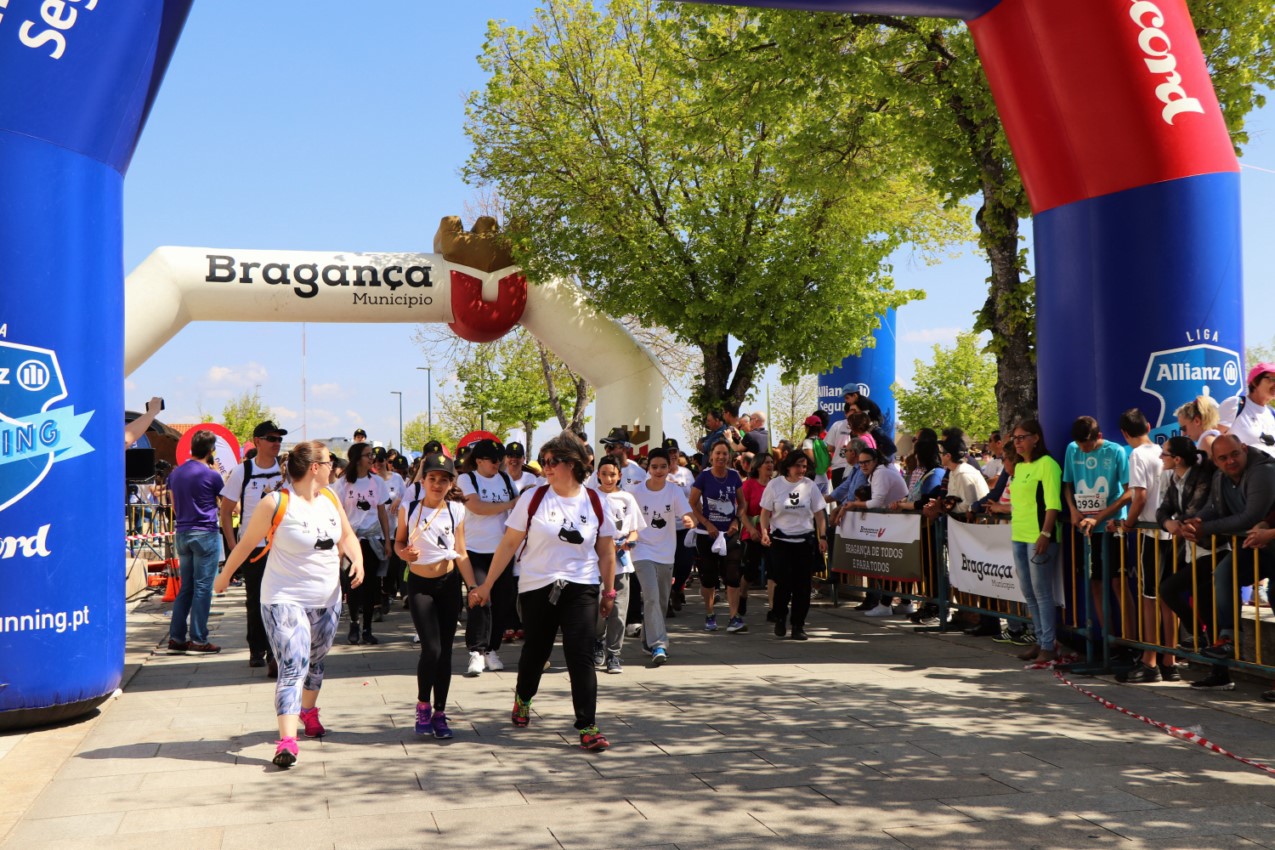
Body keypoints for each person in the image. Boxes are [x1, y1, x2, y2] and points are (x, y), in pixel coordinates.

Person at [213, 441, 363, 768]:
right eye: (329, 462)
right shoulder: (277, 503)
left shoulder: (331, 498)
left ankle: (307, 712)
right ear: (314, 467)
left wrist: (358, 560)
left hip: (327, 598)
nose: (333, 467)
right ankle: (287, 741)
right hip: (284, 597)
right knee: (294, 662)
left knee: (316, 661)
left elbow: (348, 536)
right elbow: (246, 544)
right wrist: (224, 576)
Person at [469, 433, 619, 751]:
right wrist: (487, 584)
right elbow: (509, 543)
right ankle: (523, 698)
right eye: (544, 461)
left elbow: (607, 551)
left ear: (573, 464)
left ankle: (588, 725)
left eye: (553, 461)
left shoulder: (596, 501)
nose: (546, 467)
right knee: (536, 651)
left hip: (582, 586)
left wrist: (609, 592)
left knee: (581, 654)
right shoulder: (533, 498)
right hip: (537, 585)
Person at [394, 453, 478, 739]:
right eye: (432, 479)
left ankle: (440, 712)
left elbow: (462, 552)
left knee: (445, 652)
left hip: (449, 583)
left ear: (450, 482)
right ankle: (422, 704)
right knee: (431, 649)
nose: (437, 484)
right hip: (420, 584)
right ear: (424, 480)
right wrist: (405, 554)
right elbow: (399, 543)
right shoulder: (410, 507)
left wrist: (474, 588)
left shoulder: (456, 510)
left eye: (444, 480)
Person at [1183, 435, 1275, 664]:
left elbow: (1251, 516)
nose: (1230, 461)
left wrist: (1206, 529)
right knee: (1224, 573)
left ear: (1244, 448)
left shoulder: (1263, 470)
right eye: (1223, 458)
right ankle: (1229, 638)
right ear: (1215, 461)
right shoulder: (1220, 477)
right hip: (1256, 546)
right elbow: (1214, 507)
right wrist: (1195, 522)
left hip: (1268, 543)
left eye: (1234, 454)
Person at [220, 420, 288, 674]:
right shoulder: (242, 471)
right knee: (256, 600)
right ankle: (257, 648)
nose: (276, 443)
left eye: (279, 439)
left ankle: (276, 649)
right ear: (257, 441)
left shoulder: (287, 471)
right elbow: (225, 512)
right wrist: (232, 544)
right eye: (271, 438)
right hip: (254, 547)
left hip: (282, 547)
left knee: (281, 600)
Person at [1116, 409, 1174, 683]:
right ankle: (1169, 660)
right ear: (1149, 426)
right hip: (1170, 532)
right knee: (1167, 598)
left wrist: (1128, 523)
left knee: (1149, 598)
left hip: (1151, 533)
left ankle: (1150, 661)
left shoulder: (1137, 455)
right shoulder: (1163, 451)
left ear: (1125, 434)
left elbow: (1139, 496)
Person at [458, 438, 520, 675]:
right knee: (480, 598)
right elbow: (477, 507)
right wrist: (510, 503)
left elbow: (518, 506)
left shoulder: (505, 479)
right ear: (479, 460)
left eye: (500, 460)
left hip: (501, 551)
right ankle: (476, 650)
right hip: (474, 550)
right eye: (494, 460)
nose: (498, 464)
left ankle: (491, 649)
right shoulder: (467, 479)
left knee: (504, 599)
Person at [1062, 415, 1129, 632]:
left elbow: (1129, 492)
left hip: (1111, 527)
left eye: (1086, 444)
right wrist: (1073, 510)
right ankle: (1108, 641)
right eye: (1079, 444)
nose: (1082, 449)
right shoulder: (1072, 449)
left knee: (1118, 583)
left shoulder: (1116, 451)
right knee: (1095, 583)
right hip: (1086, 529)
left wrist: (1098, 518)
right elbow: (1067, 484)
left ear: (1098, 437)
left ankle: (1131, 642)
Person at [1006, 420, 1063, 664]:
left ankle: (1049, 645)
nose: (1017, 442)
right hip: (1019, 534)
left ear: (1036, 438)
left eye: (1022, 437)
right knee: (1028, 591)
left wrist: (1046, 533)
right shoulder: (1018, 467)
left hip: (1039, 536)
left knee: (1041, 592)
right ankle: (1040, 640)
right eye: (1014, 438)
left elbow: (1053, 504)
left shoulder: (1047, 465)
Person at [630, 448, 693, 664]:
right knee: (651, 596)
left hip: (666, 553)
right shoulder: (636, 492)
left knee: (661, 601)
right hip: (642, 550)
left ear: (669, 468)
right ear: (648, 468)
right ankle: (659, 645)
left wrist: (688, 519)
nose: (658, 471)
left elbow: (686, 512)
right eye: (654, 466)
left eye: (663, 466)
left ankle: (648, 640)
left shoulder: (674, 491)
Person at [166, 430, 224, 655]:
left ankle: (176, 637)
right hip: (205, 533)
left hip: (182, 532)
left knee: (186, 587)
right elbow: (227, 503)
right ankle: (199, 639)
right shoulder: (211, 475)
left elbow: (173, 506)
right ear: (211, 451)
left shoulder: (176, 473)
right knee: (202, 588)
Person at [831, 447, 909, 616]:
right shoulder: (876, 472)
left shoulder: (880, 472)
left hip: (898, 521)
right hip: (894, 521)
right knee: (896, 565)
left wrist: (852, 505)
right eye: (860, 463)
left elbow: (875, 502)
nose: (863, 466)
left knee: (892, 564)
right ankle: (904, 602)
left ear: (875, 461)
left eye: (867, 462)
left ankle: (887, 604)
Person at [759, 451, 827, 640]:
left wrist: (822, 537)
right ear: (788, 466)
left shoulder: (810, 486)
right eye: (798, 465)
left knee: (803, 587)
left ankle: (798, 625)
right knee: (784, 584)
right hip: (780, 542)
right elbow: (765, 512)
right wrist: (765, 533)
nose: (801, 470)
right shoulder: (775, 485)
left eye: (804, 466)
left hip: (804, 542)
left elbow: (820, 514)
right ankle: (780, 617)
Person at [333, 442, 391, 645]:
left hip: (372, 540)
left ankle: (368, 628)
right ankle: (354, 624)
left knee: (372, 586)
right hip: (351, 541)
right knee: (354, 586)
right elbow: (337, 514)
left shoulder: (377, 482)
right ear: (357, 458)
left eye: (372, 455)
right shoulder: (343, 484)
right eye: (368, 455)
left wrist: (387, 541)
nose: (372, 458)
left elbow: (382, 513)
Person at [593, 456, 646, 673]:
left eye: (612, 474)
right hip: (596, 562)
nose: (608, 478)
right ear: (597, 474)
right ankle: (597, 642)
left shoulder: (627, 498)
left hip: (622, 562)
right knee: (597, 607)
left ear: (619, 476)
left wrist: (629, 540)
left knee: (619, 610)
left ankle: (614, 653)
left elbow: (635, 528)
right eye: (604, 474)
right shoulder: (590, 497)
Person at [689, 441, 748, 632]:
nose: (721, 457)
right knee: (708, 577)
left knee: (732, 575)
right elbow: (692, 502)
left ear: (729, 456)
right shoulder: (704, 477)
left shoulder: (734, 476)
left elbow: (742, 503)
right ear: (712, 456)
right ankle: (709, 613)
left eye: (725, 454)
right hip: (707, 535)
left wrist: (735, 521)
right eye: (718, 453)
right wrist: (706, 524)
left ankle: (734, 617)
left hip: (729, 534)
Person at [740, 452, 775, 622]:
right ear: (758, 466)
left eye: (771, 462)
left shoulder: (776, 485)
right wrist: (751, 530)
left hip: (772, 533)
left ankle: (772, 608)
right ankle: (742, 594)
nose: (770, 465)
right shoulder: (749, 485)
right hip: (753, 533)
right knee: (750, 570)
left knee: (773, 570)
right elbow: (742, 512)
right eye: (766, 462)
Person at [1219, 363, 1275, 456]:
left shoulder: (1272, 413)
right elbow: (1212, 438)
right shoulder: (1236, 404)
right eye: (1272, 379)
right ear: (1254, 382)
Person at [800, 415, 832, 495]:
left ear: (808, 428)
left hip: (813, 480)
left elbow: (811, 460)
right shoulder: (823, 442)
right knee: (822, 505)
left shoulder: (807, 442)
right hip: (824, 479)